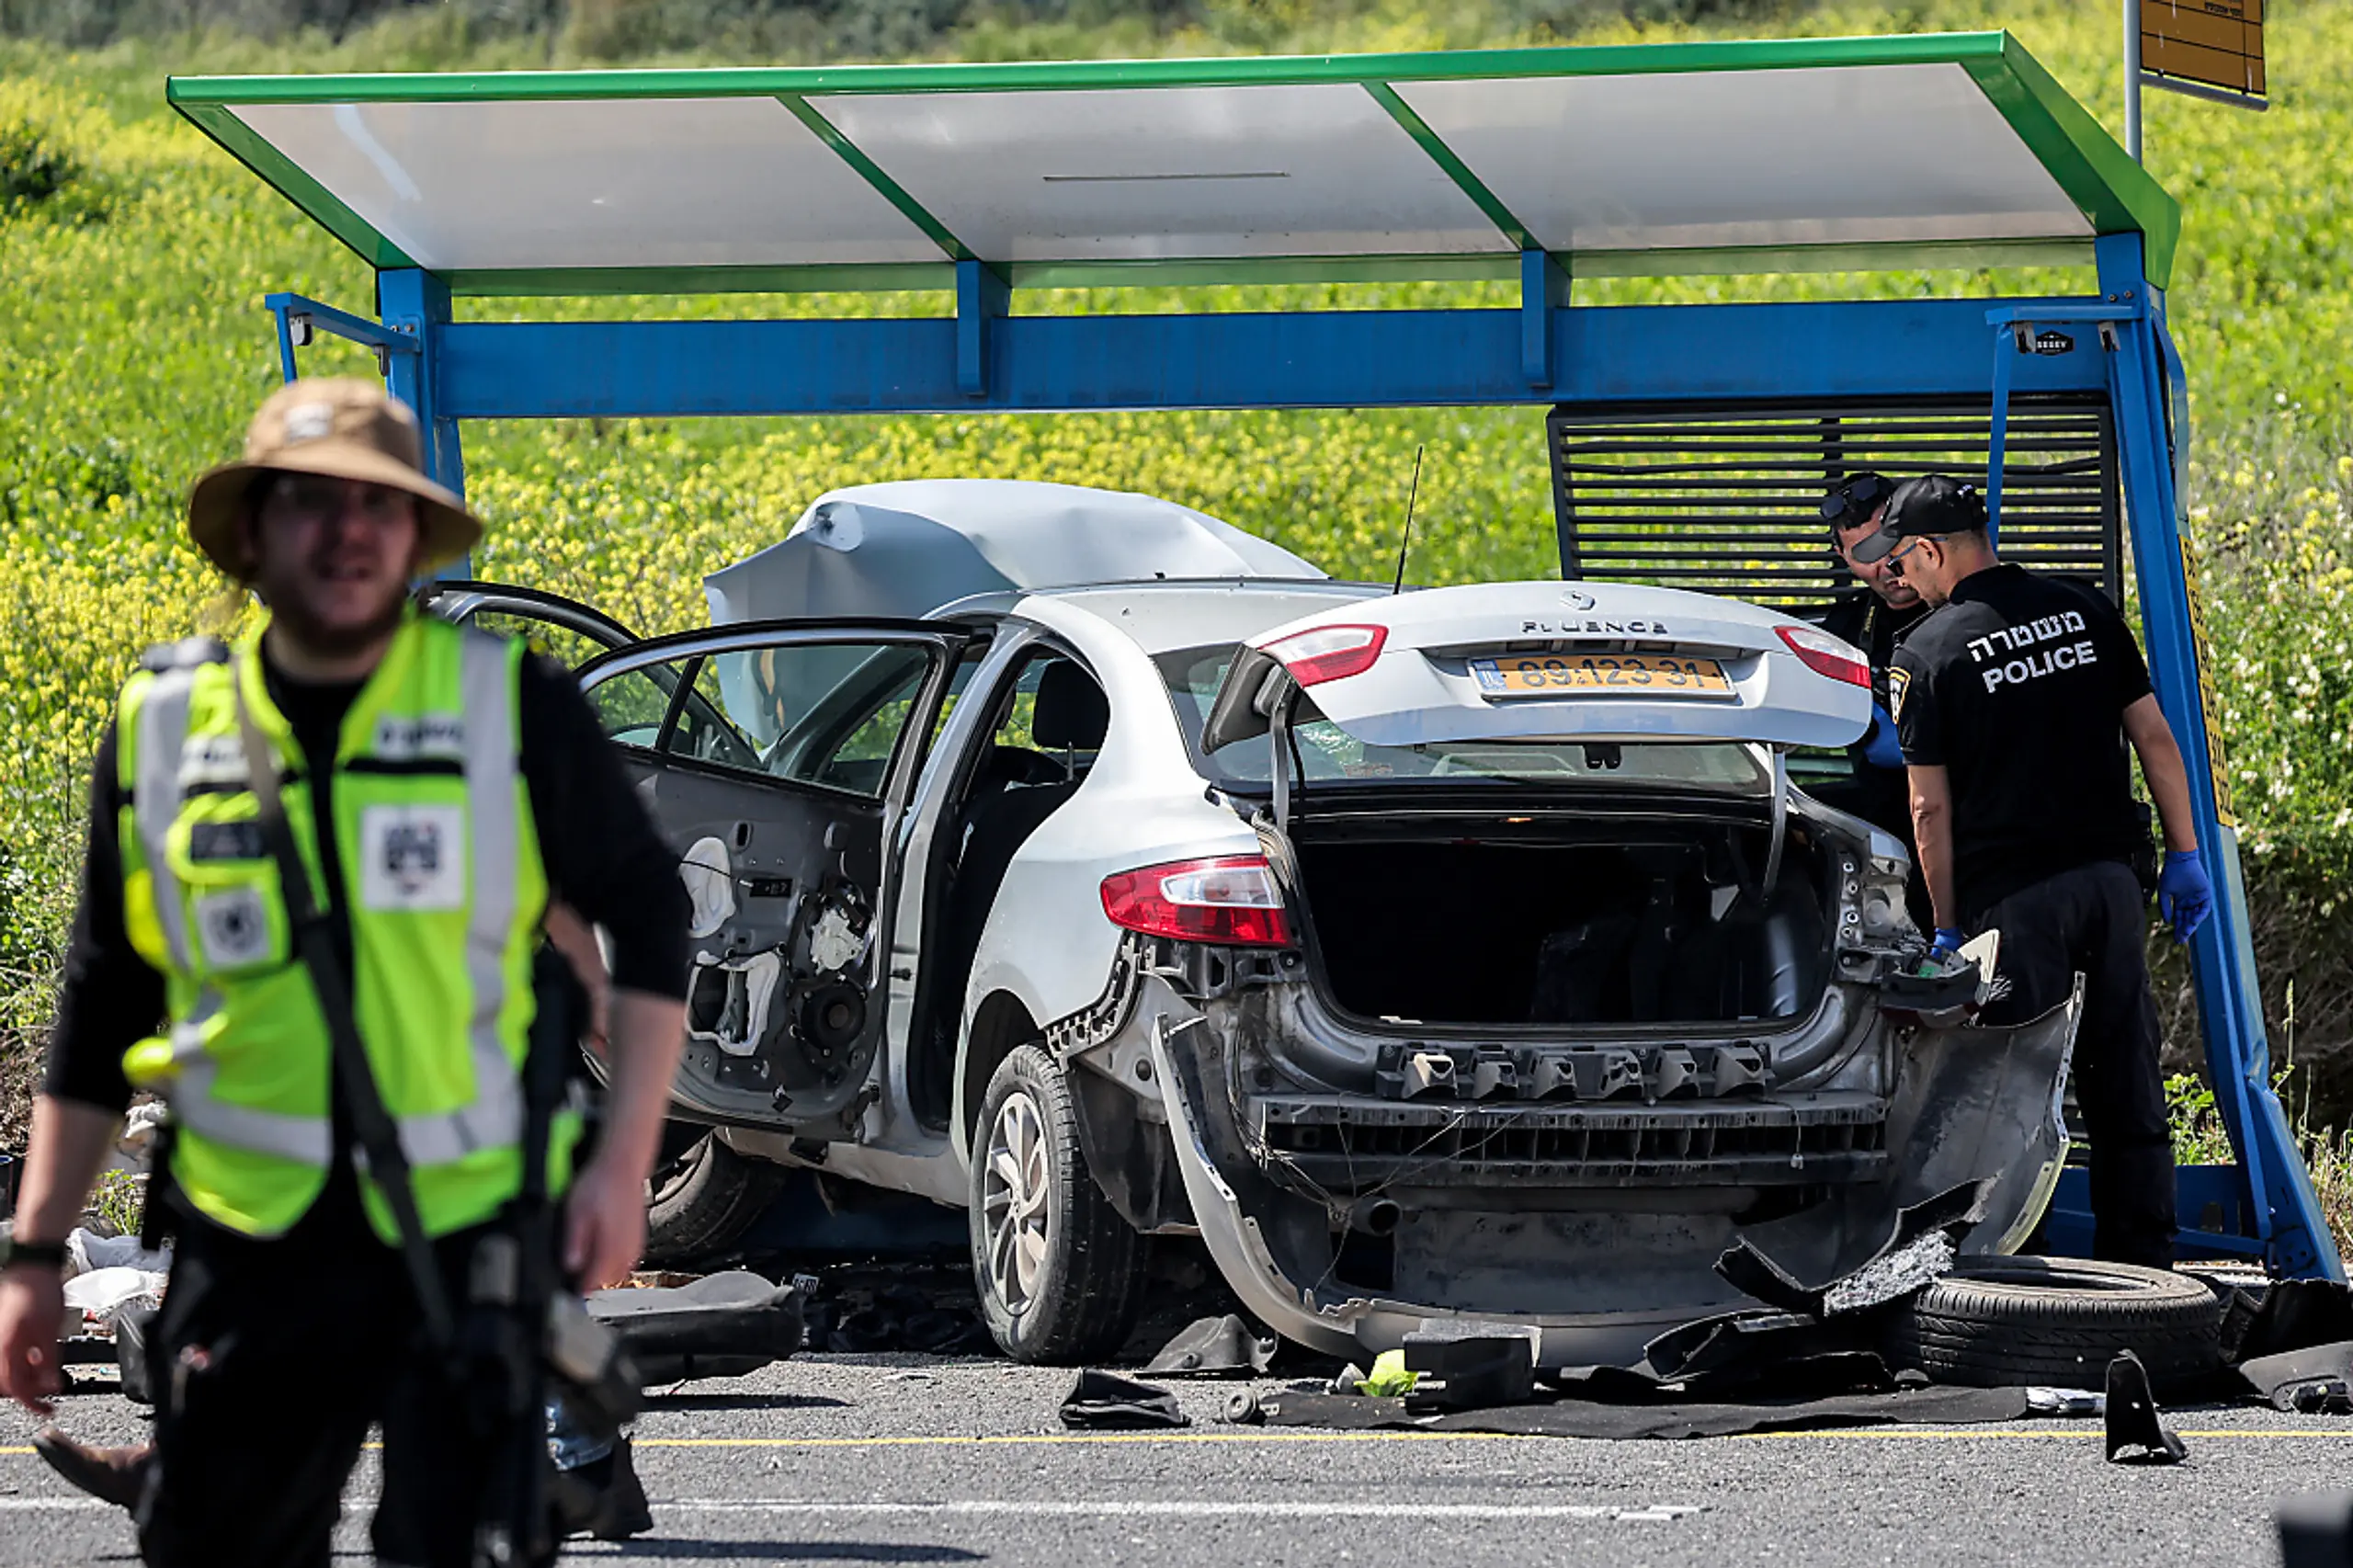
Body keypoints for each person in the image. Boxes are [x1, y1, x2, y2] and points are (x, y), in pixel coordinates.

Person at [0, 378, 692, 1567]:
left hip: (467, 1235)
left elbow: (650, 915)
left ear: (416, 537)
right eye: (310, 502)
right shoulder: (163, 732)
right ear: (254, 534)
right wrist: (30, 1251)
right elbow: (102, 999)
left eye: (377, 505)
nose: (346, 530)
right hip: (249, 1245)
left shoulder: (510, 707)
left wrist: (622, 1170)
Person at [1857, 474, 2214, 1268]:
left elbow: (1928, 811)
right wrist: (2186, 856)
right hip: (2111, 883)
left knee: (2013, 1089)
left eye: (1901, 562)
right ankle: (2146, 1267)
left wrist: (1946, 925)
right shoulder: (2082, 607)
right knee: (2125, 1070)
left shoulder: (1927, 651)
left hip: (2012, 904)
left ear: (1929, 550)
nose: (1898, 579)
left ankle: (2022, 1267)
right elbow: (2155, 739)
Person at [1812, 472, 1930, 852]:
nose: (1888, 566)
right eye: (1866, 554)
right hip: (1888, 835)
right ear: (1842, 558)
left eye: (1892, 543)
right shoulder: (1842, 630)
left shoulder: (1970, 610)